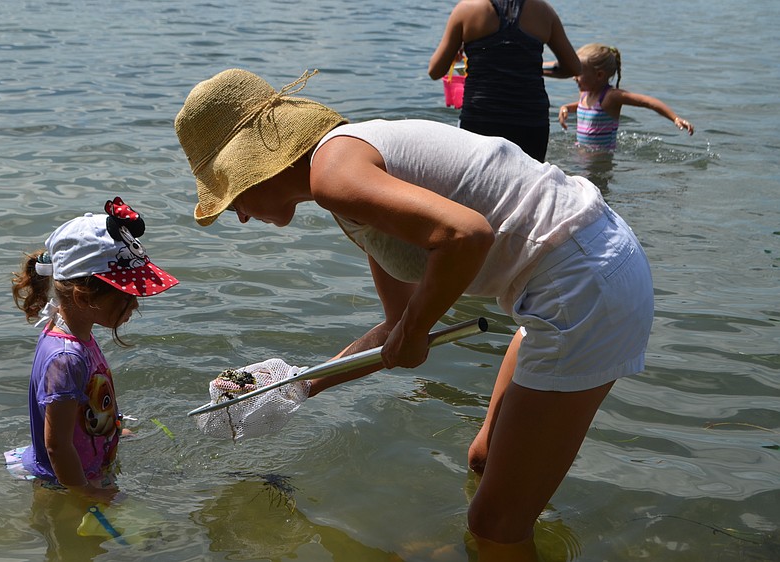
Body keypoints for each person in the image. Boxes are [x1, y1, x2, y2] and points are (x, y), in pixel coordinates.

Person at [174, 69, 653, 560]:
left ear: (258, 166)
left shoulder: (335, 173)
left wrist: (419, 329)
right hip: (572, 274)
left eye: (231, 194)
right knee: (483, 460)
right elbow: (395, 327)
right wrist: (297, 385)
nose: (240, 214)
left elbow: (466, 235)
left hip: (583, 285)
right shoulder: (346, 185)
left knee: (494, 525)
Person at [6, 196, 179, 503]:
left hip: (83, 464)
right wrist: (84, 491)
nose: (135, 305)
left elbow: (82, 404)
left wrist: (111, 429)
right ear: (85, 298)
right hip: (66, 481)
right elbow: (57, 445)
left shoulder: (73, 330)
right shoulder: (65, 358)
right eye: (127, 297)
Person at [428, 0, 582, 162]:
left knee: (476, 185)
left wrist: (453, 54)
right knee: (527, 185)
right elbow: (574, 68)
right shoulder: (544, 12)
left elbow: (435, 71)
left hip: (481, 119)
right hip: (531, 123)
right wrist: (531, 69)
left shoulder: (467, 9)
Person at [558, 43, 695, 151]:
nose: (574, 77)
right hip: (580, 152)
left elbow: (648, 102)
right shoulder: (584, 94)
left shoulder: (611, 97)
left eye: (578, 72)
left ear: (599, 75)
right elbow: (583, 107)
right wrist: (566, 108)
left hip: (601, 161)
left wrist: (675, 118)